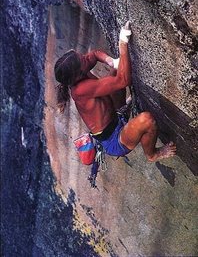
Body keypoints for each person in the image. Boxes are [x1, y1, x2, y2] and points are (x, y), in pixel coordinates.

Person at [54, 21, 176, 162]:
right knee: (147, 120)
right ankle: (152, 154)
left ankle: (125, 108)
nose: (85, 58)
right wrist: (122, 43)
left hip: (114, 116)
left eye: (82, 56)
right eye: (83, 61)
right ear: (78, 74)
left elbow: (94, 55)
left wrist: (111, 61)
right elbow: (124, 81)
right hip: (113, 140)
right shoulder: (81, 90)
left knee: (118, 68)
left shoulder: (79, 72)